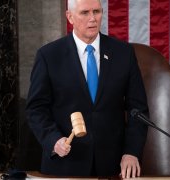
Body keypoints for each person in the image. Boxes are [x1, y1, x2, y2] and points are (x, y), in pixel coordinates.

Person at [25, 0, 149, 178]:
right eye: (85, 13)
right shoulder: (49, 55)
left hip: (113, 165)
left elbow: (139, 110)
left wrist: (132, 152)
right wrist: (53, 140)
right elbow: (36, 109)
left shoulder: (123, 53)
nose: (93, 19)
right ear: (70, 17)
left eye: (96, 12)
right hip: (65, 163)